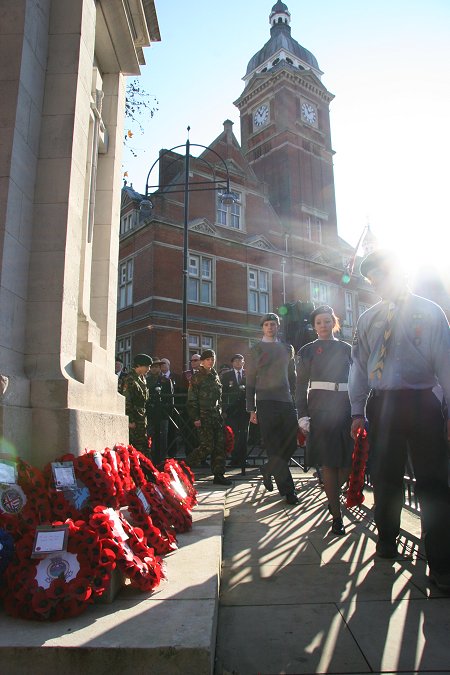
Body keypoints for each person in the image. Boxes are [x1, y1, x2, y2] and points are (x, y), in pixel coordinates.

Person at [349, 249, 450, 593]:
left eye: (382, 276)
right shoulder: (368, 319)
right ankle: (387, 541)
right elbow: (359, 368)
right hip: (384, 404)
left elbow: (446, 363)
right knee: (385, 478)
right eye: (373, 279)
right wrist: (357, 411)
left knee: (434, 484)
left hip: (423, 402)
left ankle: (440, 563)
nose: (377, 283)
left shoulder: (429, 311)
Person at [296, 305, 352, 535]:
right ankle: (337, 516)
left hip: (346, 406)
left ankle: (332, 495)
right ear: (314, 325)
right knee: (329, 462)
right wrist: (302, 414)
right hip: (320, 408)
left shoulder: (347, 348)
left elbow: (358, 379)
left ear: (334, 323)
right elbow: (300, 386)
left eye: (327, 321)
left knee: (348, 462)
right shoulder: (307, 350)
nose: (323, 325)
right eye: (319, 322)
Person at [246, 312, 299, 505]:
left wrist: (295, 399)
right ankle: (288, 491)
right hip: (265, 401)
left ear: (278, 326)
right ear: (262, 328)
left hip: (286, 401)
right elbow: (250, 379)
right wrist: (251, 408)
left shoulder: (287, 348)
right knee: (274, 446)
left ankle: (268, 468)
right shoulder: (256, 349)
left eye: (273, 324)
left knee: (292, 442)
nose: (270, 327)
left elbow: (292, 376)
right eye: (267, 324)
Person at [185, 349, 232, 486]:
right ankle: (184, 466)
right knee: (206, 446)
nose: (210, 361)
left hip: (216, 417)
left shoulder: (215, 375)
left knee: (219, 447)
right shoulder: (197, 377)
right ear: (202, 361)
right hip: (204, 417)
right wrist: (196, 417)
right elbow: (192, 400)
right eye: (207, 359)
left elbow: (219, 397)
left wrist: (221, 412)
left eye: (212, 359)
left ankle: (219, 475)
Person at [221, 354, 250, 468]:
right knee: (232, 434)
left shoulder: (248, 374)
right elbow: (222, 393)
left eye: (240, 361)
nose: (238, 363)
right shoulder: (227, 375)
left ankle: (243, 458)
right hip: (231, 410)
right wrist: (223, 409)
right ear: (232, 363)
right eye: (236, 361)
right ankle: (234, 458)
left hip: (245, 409)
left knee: (244, 434)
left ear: (243, 362)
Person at [123, 354, 152, 454]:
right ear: (139, 365)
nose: (149, 369)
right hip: (134, 417)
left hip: (141, 417)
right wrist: (130, 419)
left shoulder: (142, 379)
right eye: (147, 366)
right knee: (135, 447)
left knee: (144, 445)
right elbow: (127, 401)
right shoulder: (130, 379)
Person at [146, 358, 173, 465]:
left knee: (162, 437)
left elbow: (170, 398)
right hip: (150, 413)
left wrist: (168, 413)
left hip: (162, 414)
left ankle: (162, 459)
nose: (154, 369)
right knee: (150, 437)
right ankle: (150, 459)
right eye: (152, 367)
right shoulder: (146, 380)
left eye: (156, 367)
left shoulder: (166, 380)